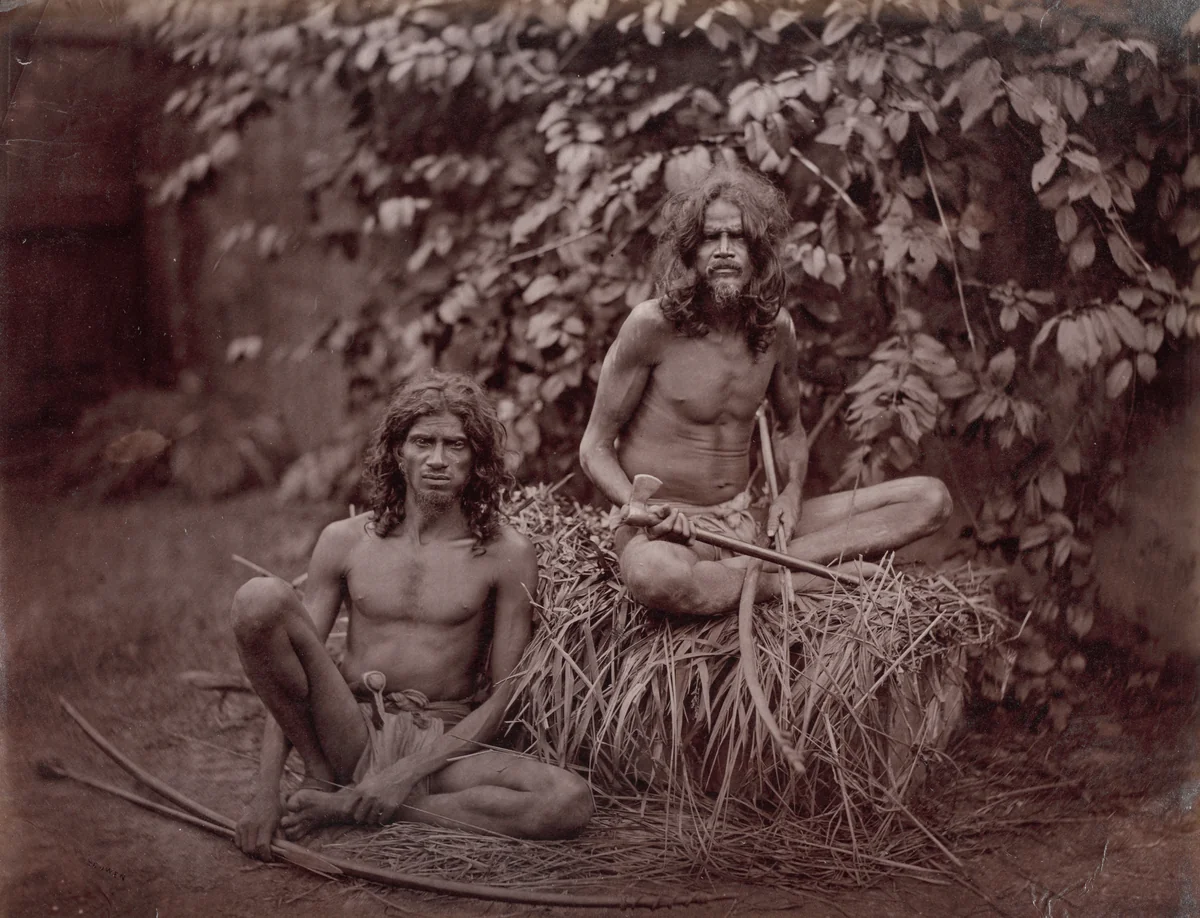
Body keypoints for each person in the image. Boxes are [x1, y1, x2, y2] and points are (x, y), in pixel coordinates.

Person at [231, 372, 593, 857]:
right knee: (259, 599)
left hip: (439, 743)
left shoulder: (506, 553)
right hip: (348, 729)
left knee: (568, 801)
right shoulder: (344, 540)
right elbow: (289, 683)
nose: (438, 460)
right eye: (423, 442)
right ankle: (332, 779)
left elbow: (503, 699)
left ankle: (347, 805)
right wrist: (263, 794)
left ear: (478, 459)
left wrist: (403, 775)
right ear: (398, 452)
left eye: (456, 445)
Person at [579, 163, 952, 617]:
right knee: (653, 576)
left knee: (928, 499)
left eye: (737, 238)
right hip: (667, 533)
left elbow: (789, 428)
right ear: (689, 252)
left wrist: (791, 494)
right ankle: (781, 580)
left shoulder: (775, 331)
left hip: (746, 522)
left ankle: (766, 567)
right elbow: (594, 447)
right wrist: (636, 506)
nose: (724, 251)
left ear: (758, 252)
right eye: (710, 238)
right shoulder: (651, 327)